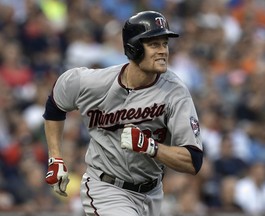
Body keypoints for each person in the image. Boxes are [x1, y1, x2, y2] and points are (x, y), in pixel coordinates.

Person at [43, 10, 203, 216]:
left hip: (152, 193)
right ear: (133, 48)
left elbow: (193, 160)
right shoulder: (95, 83)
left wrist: (151, 147)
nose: (163, 51)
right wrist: (55, 157)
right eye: (154, 44)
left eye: (165, 44)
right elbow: (56, 103)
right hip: (105, 187)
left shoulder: (175, 92)